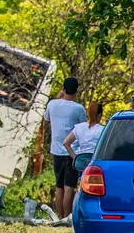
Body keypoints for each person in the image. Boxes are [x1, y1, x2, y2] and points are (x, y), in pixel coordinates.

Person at [43, 77, 87, 219]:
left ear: (63, 88)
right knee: (69, 186)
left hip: (56, 150)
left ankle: (59, 215)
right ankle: (67, 217)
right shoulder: (78, 108)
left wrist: (59, 97)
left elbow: (47, 119)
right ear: (76, 90)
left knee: (59, 186)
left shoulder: (52, 104)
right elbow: (83, 127)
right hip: (72, 152)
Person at [64, 101, 104, 173]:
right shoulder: (103, 130)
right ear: (99, 115)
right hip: (97, 162)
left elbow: (66, 143)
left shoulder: (79, 127)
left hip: (82, 162)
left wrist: (75, 158)